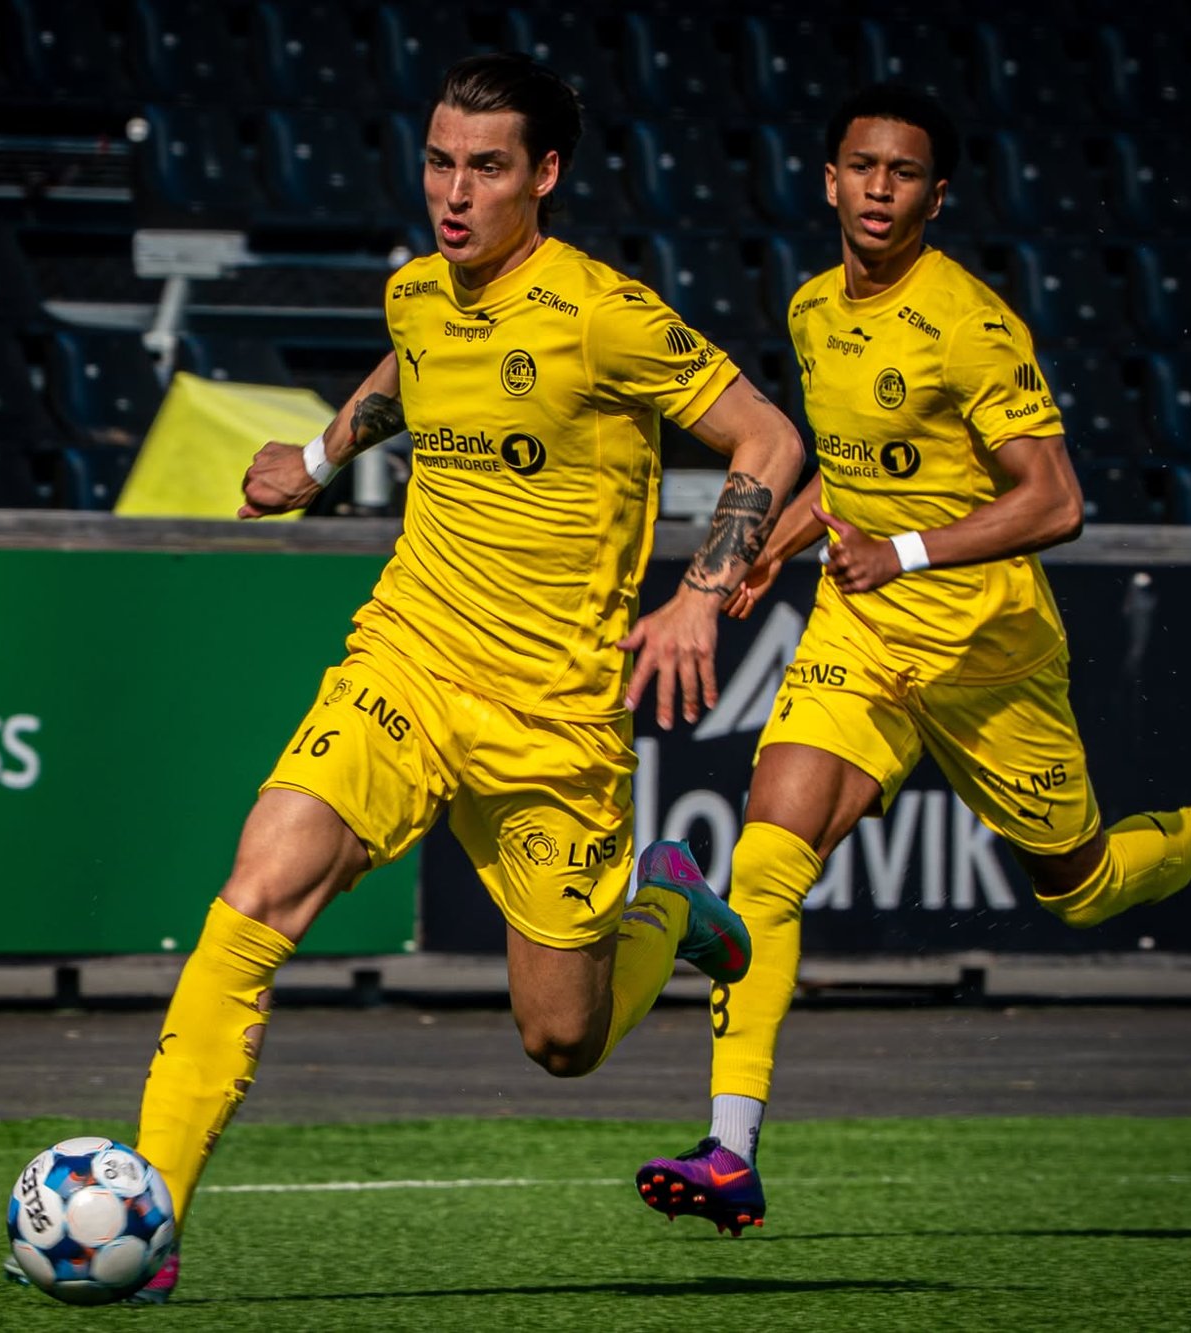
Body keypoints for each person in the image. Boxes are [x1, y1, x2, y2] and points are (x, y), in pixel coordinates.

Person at [99, 53, 807, 1299]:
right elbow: (406, 367)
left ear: (544, 175)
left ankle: (666, 906)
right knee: (257, 890)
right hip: (409, 660)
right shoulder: (417, 290)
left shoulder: (601, 313)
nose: (454, 191)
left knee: (561, 1041)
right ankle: (148, 1223)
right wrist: (317, 458)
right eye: (438, 162)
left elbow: (768, 435)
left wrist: (701, 593)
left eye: (485, 167)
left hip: (551, 719)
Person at [631, 85, 1191, 1237]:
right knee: (765, 864)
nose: (878, 188)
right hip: (861, 634)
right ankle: (729, 1152)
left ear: (934, 196)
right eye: (861, 166)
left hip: (986, 652)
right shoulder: (810, 308)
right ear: (828, 180)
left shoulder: (968, 323)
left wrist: (900, 552)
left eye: (902, 172)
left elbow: (1054, 500)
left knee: (1082, 888)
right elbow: (850, 465)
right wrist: (774, 545)